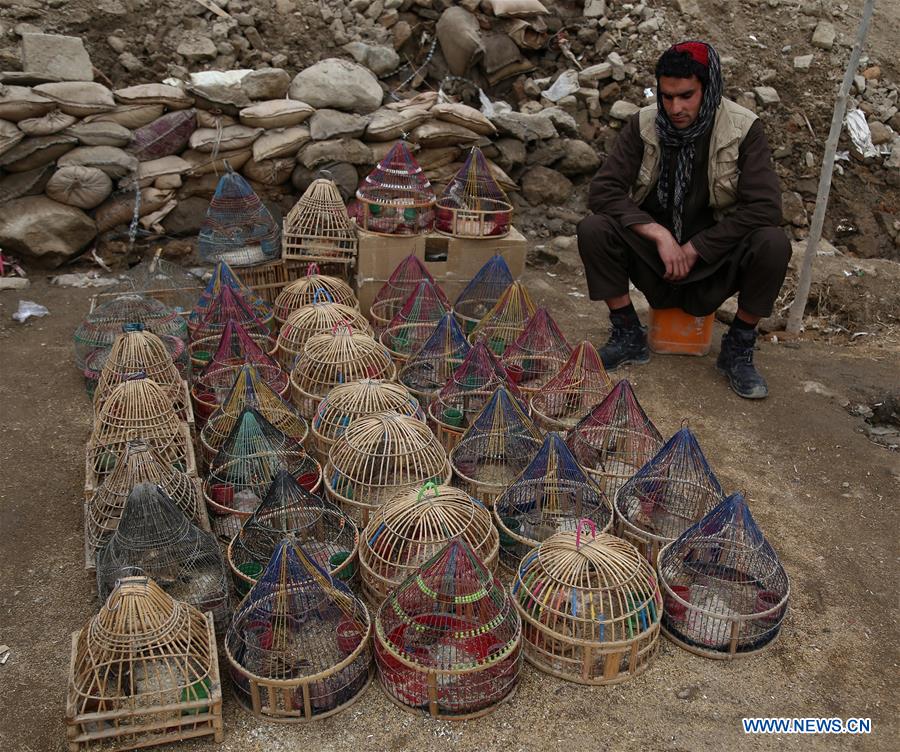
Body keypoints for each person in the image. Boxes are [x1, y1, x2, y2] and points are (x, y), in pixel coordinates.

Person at [577, 40, 790, 399]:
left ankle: (738, 347)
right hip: (655, 260)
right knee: (594, 228)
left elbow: (765, 208)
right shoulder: (644, 124)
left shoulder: (743, 128)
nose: (675, 107)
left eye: (686, 96)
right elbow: (603, 191)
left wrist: (697, 247)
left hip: (713, 263)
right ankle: (628, 333)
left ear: (709, 89)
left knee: (773, 243)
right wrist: (658, 233)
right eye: (667, 97)